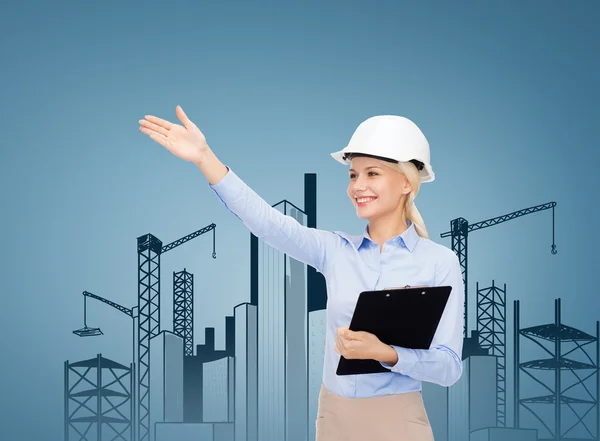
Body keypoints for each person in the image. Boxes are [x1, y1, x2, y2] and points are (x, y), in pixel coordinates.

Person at [139, 106, 464, 441]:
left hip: (399, 419)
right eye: (353, 175)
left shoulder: (439, 262)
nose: (357, 186)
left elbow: (449, 367)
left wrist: (386, 353)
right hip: (334, 416)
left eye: (372, 173)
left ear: (406, 182)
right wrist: (204, 158)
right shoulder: (335, 250)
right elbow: (268, 223)